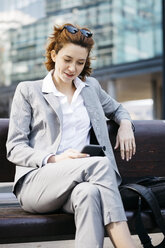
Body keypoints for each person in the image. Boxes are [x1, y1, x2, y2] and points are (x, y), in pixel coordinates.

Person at [6, 23, 136, 248]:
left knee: (89, 194)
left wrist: (125, 124)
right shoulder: (29, 90)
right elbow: (14, 148)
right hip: (38, 183)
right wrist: (55, 159)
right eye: (67, 60)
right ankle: (126, 245)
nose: (72, 68)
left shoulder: (90, 88)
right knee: (102, 165)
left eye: (80, 62)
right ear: (54, 55)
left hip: (80, 182)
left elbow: (117, 109)